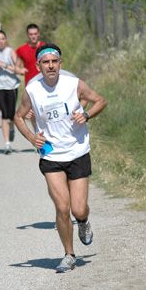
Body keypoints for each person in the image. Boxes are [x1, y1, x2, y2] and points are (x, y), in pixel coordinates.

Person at [14, 43, 107, 273]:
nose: (51, 66)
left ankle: (84, 222)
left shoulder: (73, 83)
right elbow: (18, 116)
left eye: (54, 61)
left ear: (60, 63)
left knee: (78, 209)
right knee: (62, 207)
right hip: (51, 153)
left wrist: (85, 115)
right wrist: (30, 137)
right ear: (38, 66)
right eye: (45, 62)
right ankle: (69, 254)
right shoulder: (32, 89)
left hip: (77, 151)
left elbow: (101, 100)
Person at [0, 30, 25, 154]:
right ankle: (7, 144)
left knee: (11, 115)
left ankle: (12, 128)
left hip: (11, 86)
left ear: (5, 40)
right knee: (4, 114)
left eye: (2, 39)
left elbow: (18, 69)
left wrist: (4, 65)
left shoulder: (10, 52)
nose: (1, 41)